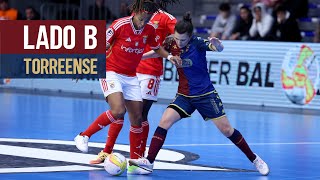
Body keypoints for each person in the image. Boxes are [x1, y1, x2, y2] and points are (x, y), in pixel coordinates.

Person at [129, 12, 270, 176]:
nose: (179, 43)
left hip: (205, 95)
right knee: (164, 122)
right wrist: (138, 57)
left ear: (190, 37)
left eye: (182, 40)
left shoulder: (198, 43)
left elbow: (218, 48)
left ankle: (255, 159)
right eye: (176, 38)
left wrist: (218, 45)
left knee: (227, 130)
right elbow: (158, 52)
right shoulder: (170, 42)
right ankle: (149, 162)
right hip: (184, 96)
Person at [74, 0, 181, 174]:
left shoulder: (149, 30)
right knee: (118, 111)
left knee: (137, 117)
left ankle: (135, 162)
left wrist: (169, 57)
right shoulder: (120, 25)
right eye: (143, 16)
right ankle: (83, 135)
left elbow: (157, 47)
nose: (145, 21)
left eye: (149, 18)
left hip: (131, 76)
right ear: (137, 11)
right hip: (111, 72)